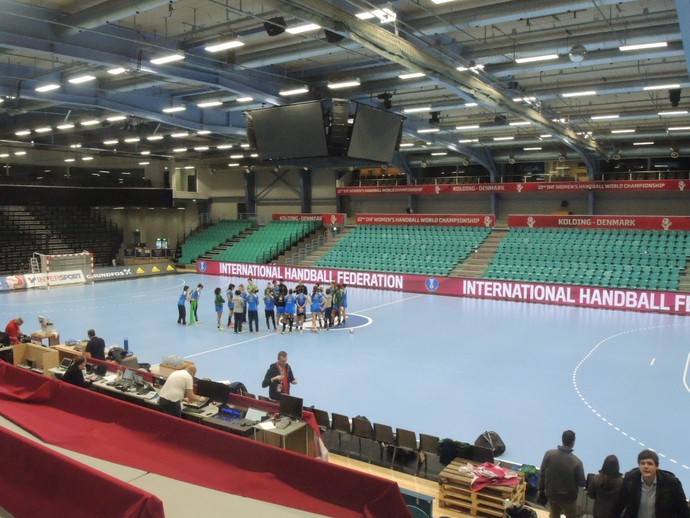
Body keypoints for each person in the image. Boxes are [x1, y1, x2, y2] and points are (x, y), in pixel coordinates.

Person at [616, 449, 689, 518]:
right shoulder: (630, 480)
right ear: (639, 466)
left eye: (649, 464)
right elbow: (618, 505)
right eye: (642, 463)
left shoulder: (671, 483)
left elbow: (683, 511)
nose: (645, 466)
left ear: (657, 467)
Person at [538, 430, 586, 518]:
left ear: (562, 439)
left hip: (552, 494)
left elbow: (542, 474)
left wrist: (541, 491)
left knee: (554, 513)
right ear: (573, 442)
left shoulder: (549, 454)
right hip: (569, 498)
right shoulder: (576, 462)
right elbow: (582, 483)